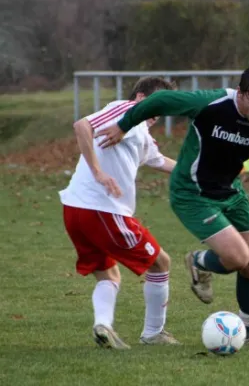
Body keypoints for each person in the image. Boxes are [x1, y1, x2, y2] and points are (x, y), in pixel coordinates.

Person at [96, 66, 249, 346]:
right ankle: (198, 261)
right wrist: (123, 125)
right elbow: (158, 101)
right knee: (237, 258)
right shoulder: (212, 103)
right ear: (242, 94)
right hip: (192, 192)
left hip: (231, 191)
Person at [59, 77, 178, 349]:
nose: (158, 113)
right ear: (138, 98)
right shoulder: (124, 110)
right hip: (101, 210)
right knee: (160, 262)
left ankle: (103, 325)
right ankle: (153, 333)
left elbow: (159, 161)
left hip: (77, 210)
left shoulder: (140, 132)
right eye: (155, 103)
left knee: (108, 274)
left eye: (164, 108)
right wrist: (99, 173)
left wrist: (200, 173)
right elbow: (82, 126)